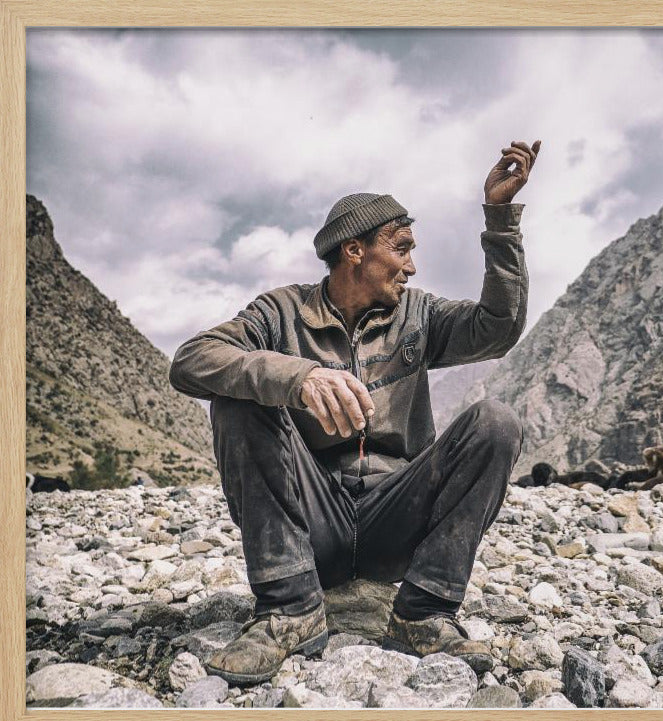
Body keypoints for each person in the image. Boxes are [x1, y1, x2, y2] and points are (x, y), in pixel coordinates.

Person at [168, 139, 541, 686]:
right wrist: (299, 379)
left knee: (496, 422)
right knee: (236, 396)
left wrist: (501, 218)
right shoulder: (281, 312)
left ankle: (425, 614)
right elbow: (192, 360)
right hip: (310, 523)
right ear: (355, 250)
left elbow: (499, 329)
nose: (412, 266)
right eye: (402, 248)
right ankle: (290, 609)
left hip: (398, 518)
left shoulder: (420, 314)